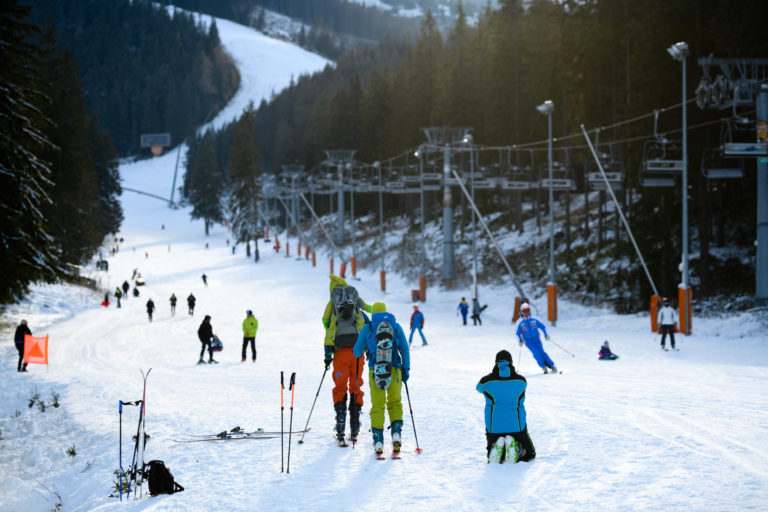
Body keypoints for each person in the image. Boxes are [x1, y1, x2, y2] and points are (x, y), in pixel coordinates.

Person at [353, 302, 410, 456]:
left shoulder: (368, 328)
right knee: (395, 402)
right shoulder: (396, 327)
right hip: (395, 370)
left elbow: (357, 352)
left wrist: (366, 345)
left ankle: (378, 441)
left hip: (376, 370)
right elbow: (404, 348)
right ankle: (396, 434)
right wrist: (406, 369)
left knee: (378, 405)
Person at [322, 274, 371, 445]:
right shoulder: (355, 300)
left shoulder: (333, 305)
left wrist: (327, 353)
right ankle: (355, 423)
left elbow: (327, 325)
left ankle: (341, 419)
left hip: (340, 352)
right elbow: (369, 310)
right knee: (356, 384)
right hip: (358, 352)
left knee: (340, 386)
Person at [476, 350, 536, 463]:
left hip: (494, 428)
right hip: (517, 427)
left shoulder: (486, 381)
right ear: (511, 362)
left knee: (491, 441)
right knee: (530, 453)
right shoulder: (521, 381)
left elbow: (478, 387)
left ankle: (495, 448)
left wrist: (493, 375)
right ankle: (518, 448)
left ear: (495, 362)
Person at [516, 303, 558, 374]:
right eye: (525, 311)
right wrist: (519, 340)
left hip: (536, 339)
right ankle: (544, 367)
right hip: (528, 341)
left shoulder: (534, 319)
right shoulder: (520, 322)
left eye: (528, 310)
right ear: (522, 312)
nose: (526, 312)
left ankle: (552, 366)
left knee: (542, 352)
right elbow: (517, 333)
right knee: (536, 353)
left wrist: (546, 335)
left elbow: (543, 327)